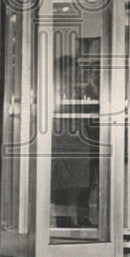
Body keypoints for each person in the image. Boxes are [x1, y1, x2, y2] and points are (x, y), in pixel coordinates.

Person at [50, 54, 97, 228]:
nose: (76, 74)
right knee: (63, 183)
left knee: (82, 182)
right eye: (72, 71)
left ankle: (81, 217)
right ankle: (64, 220)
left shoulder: (81, 90)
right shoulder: (56, 91)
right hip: (64, 139)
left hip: (80, 140)